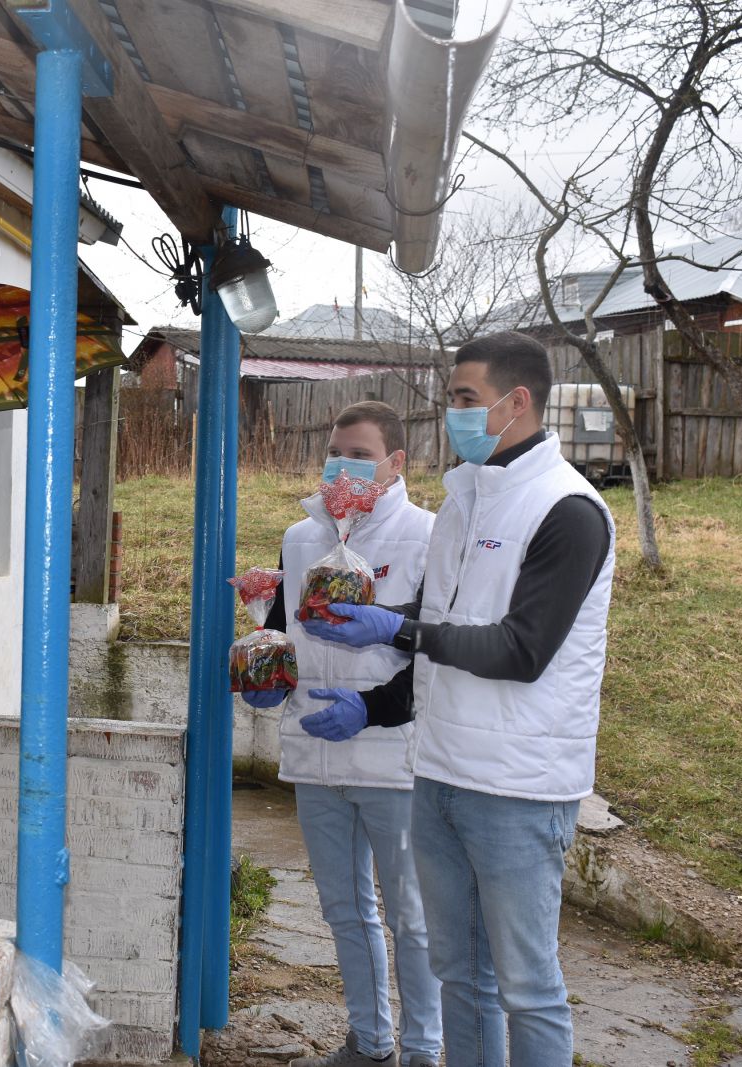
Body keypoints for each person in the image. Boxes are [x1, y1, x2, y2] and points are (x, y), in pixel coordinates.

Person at [306, 332, 615, 1067]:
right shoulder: (463, 504)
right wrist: (376, 700)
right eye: (451, 399)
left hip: (516, 788)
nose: (454, 414)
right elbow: (431, 645)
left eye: (466, 400)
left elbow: (521, 649)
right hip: (439, 774)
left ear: (519, 402)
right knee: (459, 977)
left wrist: (403, 628)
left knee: (528, 987)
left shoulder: (568, 510)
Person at [245, 401, 441, 1067]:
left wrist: (373, 709)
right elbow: (280, 629)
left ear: (395, 464)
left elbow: (436, 656)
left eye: (358, 454)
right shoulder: (301, 539)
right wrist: (263, 675)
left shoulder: (426, 536)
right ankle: (370, 1040)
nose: (341, 468)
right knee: (343, 910)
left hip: (392, 759)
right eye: (334, 453)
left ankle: (423, 1047)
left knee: (410, 917)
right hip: (315, 753)